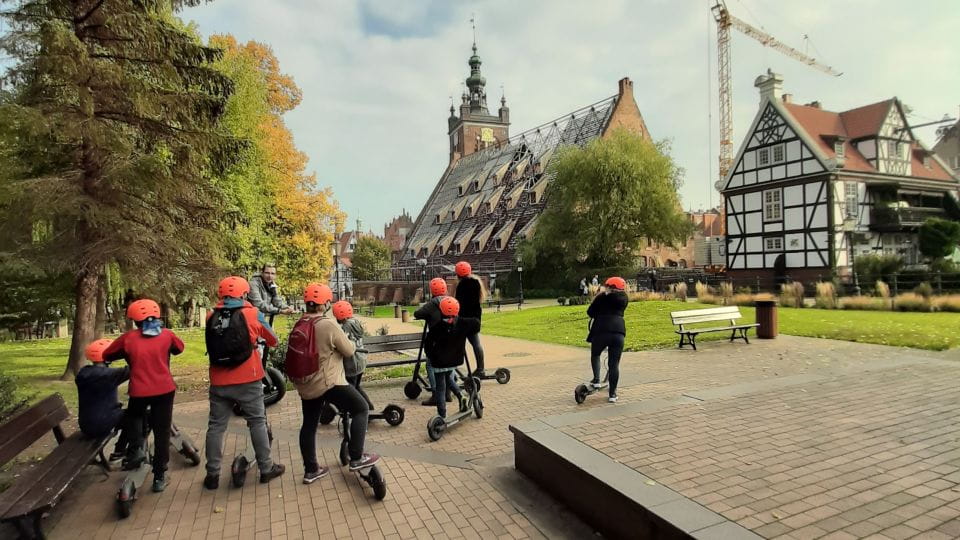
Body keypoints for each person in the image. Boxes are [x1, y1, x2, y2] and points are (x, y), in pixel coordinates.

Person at [286, 284, 379, 484]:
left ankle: (311, 470)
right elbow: (349, 350)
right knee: (361, 408)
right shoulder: (327, 324)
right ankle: (356, 457)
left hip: (307, 384)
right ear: (326, 303)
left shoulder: (301, 322)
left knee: (309, 425)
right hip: (328, 382)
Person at [203, 276, 285, 490]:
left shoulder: (211, 316)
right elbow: (273, 340)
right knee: (257, 422)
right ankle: (266, 468)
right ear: (244, 294)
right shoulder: (252, 314)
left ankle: (212, 474)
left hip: (219, 381)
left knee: (216, 426)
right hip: (248, 379)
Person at [103, 299, 184, 492]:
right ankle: (159, 476)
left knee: (134, 418)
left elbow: (108, 354)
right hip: (164, 390)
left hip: (139, 391)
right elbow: (179, 348)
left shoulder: (128, 339)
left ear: (134, 319)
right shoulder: (167, 335)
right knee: (162, 431)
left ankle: (136, 450)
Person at [76, 338, 131, 461]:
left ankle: (120, 450)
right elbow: (131, 370)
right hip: (102, 422)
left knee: (129, 415)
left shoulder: (84, 373)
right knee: (137, 416)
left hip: (86, 423)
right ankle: (121, 451)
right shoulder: (108, 375)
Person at [424, 297, 479, 418]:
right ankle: (461, 396)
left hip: (439, 362)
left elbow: (427, 344)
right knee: (448, 378)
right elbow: (476, 323)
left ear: (441, 311)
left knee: (440, 388)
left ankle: (442, 415)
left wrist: (431, 355)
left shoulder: (436, 328)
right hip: (454, 360)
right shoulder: (463, 324)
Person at [585, 277, 628, 403]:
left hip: (601, 330)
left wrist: (598, 298)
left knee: (595, 354)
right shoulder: (624, 298)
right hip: (618, 331)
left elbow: (590, 312)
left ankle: (596, 380)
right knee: (614, 364)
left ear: (609, 286)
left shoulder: (601, 297)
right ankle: (612, 394)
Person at [414, 277, 453, 406]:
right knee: (450, 363)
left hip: (437, 340)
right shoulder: (451, 301)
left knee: (431, 364)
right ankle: (448, 392)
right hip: (451, 338)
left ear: (432, 290)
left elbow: (417, 313)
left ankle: (436, 394)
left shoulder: (432, 303)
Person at [332, 300, 373, 409]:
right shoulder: (356, 322)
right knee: (356, 387)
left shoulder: (346, 326)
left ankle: (359, 409)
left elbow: (341, 342)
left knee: (351, 390)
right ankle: (369, 407)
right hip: (361, 361)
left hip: (352, 364)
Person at [453, 261, 487, 377]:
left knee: (457, 344)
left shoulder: (461, 285)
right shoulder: (477, 282)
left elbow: (458, 303)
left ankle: (453, 370)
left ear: (458, 274)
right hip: (475, 320)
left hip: (463, 320)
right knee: (476, 344)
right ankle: (481, 369)